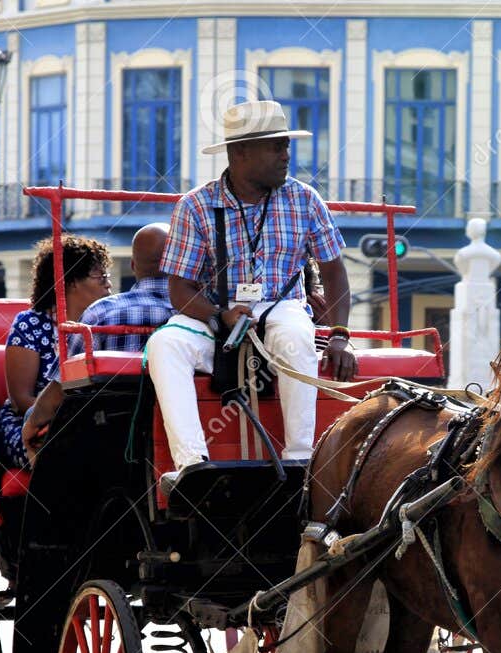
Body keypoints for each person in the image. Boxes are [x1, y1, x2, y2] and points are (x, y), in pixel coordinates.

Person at [145, 100, 357, 474]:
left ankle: (298, 458)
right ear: (240, 151)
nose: (286, 155)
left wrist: (339, 334)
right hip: (215, 316)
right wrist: (217, 316)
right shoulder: (196, 205)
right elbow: (180, 289)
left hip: (282, 307)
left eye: (286, 145)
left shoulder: (305, 200)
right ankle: (192, 465)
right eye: (276, 146)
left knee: (296, 335)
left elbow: (335, 273)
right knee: (164, 344)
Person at [2, 234, 113, 468]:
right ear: (72, 281)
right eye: (100, 277)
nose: (108, 284)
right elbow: (21, 399)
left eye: (107, 276)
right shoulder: (30, 324)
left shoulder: (106, 323)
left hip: (93, 424)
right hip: (33, 423)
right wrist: (68, 419)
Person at [79, 223, 174, 352]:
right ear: (179, 265)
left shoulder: (100, 312)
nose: (108, 284)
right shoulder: (198, 313)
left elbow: (64, 370)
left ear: (133, 265)